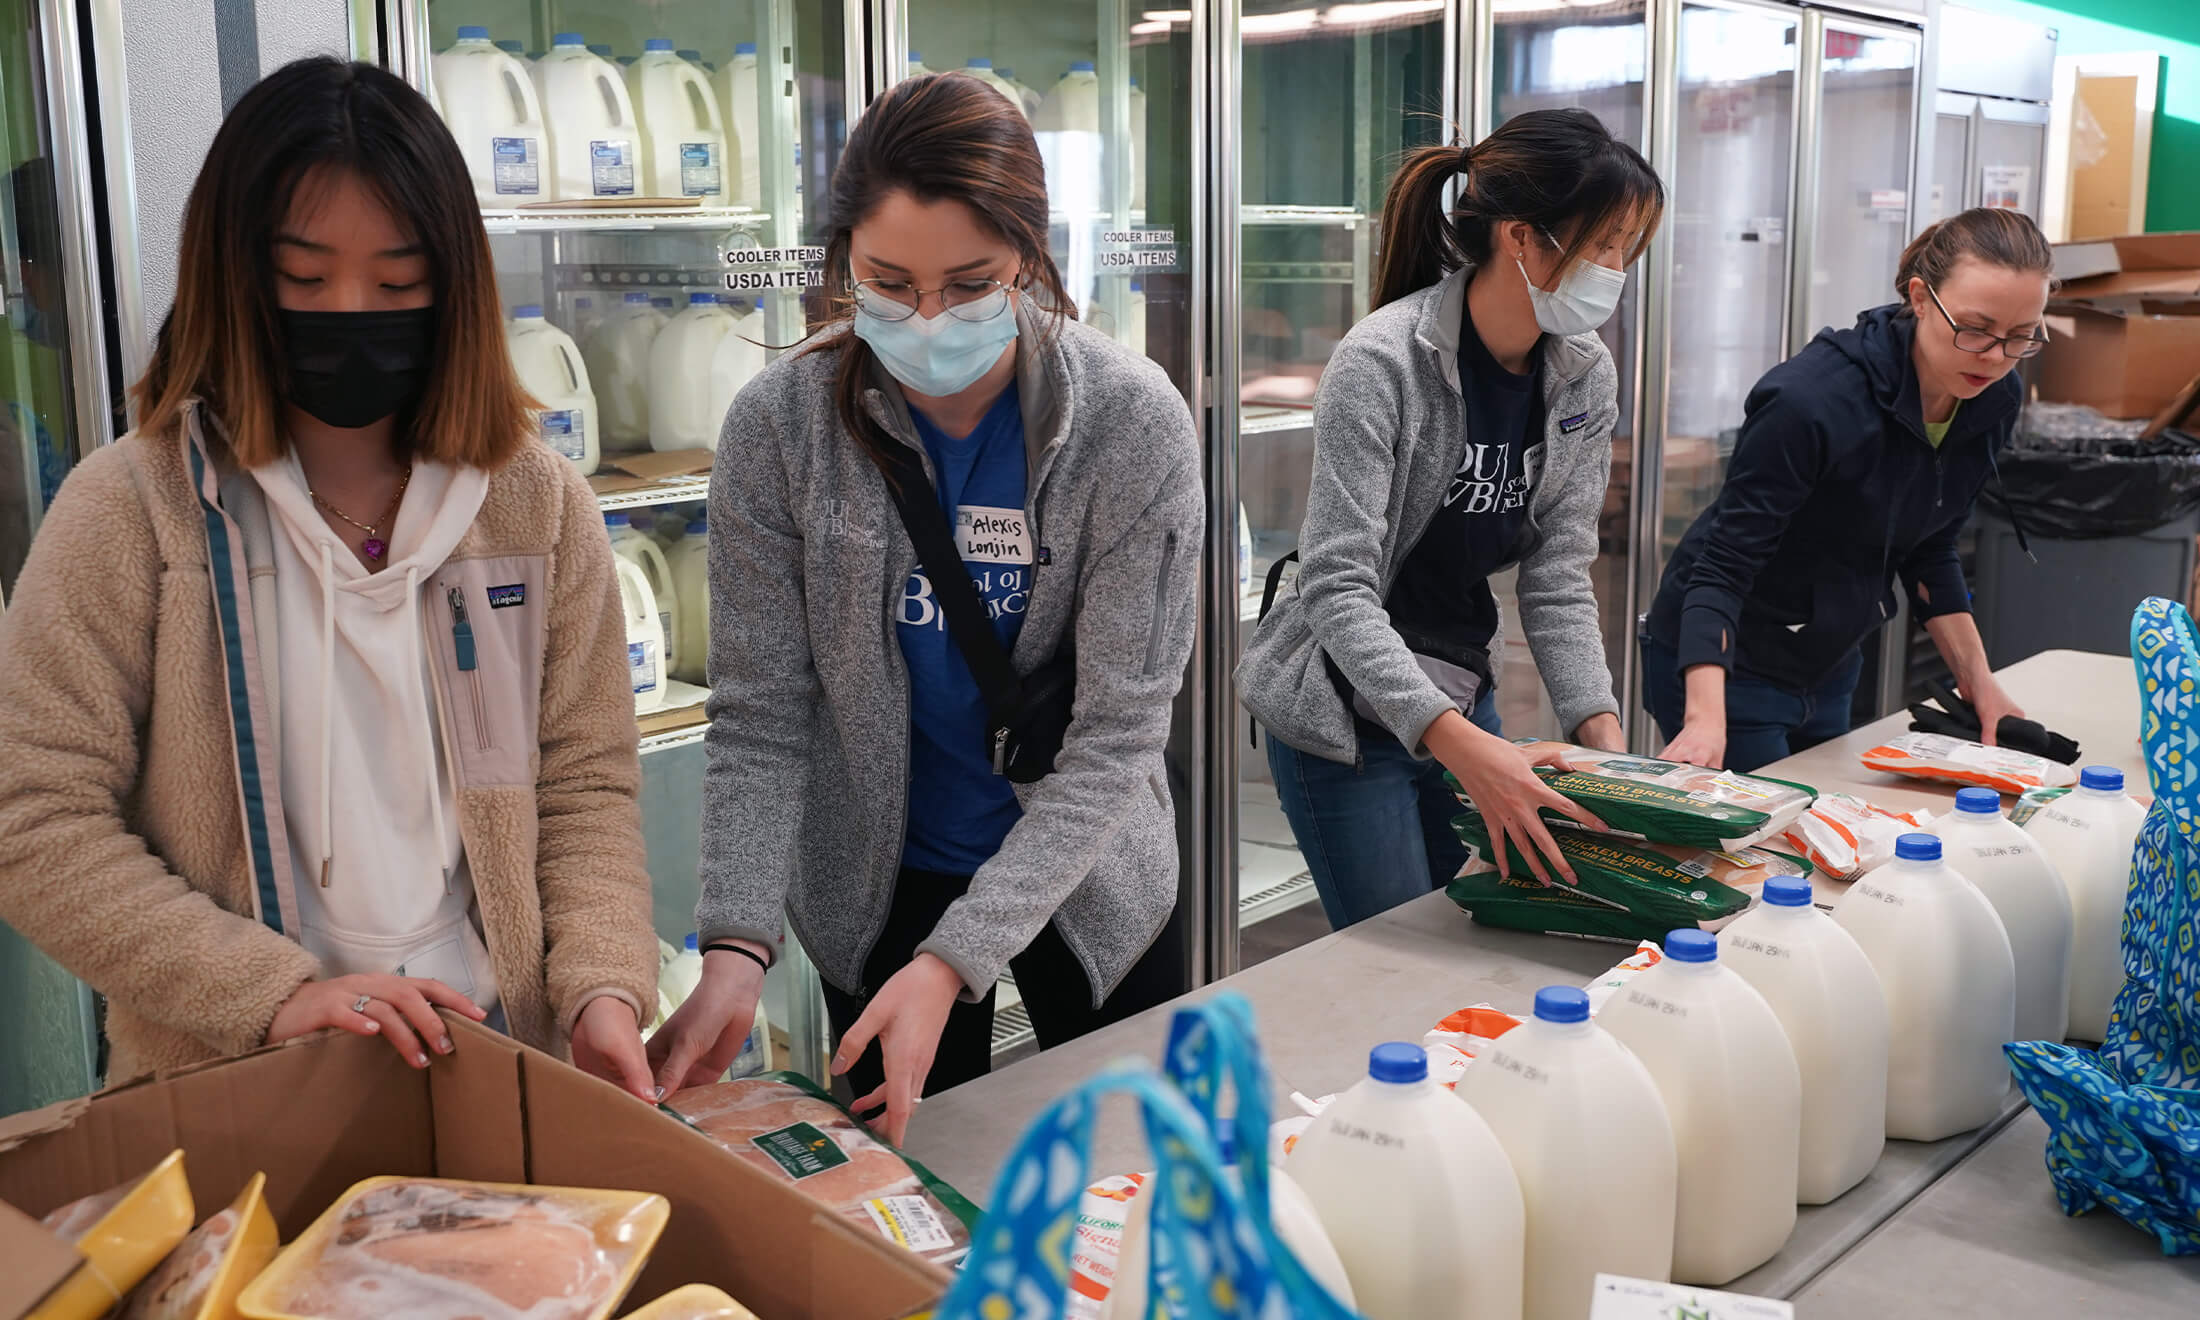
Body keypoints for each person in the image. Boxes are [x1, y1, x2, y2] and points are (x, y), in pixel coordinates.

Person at [0, 58, 659, 1097]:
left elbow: (581, 786)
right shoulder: (132, 510)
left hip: (493, 1057)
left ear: (454, 286)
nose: (351, 312)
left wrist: (604, 986)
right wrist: (266, 992)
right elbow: (31, 815)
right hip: (237, 1084)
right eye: (303, 280)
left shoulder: (534, 504)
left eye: (399, 284)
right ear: (234, 277)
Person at [647, 73, 1203, 1144]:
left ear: (1030, 261)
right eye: (888, 282)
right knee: (914, 1195)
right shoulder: (779, 429)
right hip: (878, 879)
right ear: (842, 256)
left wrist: (960, 956)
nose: (927, 319)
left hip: (1087, 869)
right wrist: (733, 945)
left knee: (1134, 1171)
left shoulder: (1130, 425)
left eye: (970, 283)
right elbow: (763, 716)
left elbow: (1119, 736)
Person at [1239, 109, 1665, 927]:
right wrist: (1461, 747)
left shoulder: (1581, 373)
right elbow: (1336, 584)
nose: (1617, 268)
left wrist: (1600, 734)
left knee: (1475, 929)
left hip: (1459, 686)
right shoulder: (1383, 362)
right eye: (1606, 243)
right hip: (1345, 711)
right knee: (1397, 949)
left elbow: (1556, 572)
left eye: (1627, 248)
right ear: (1521, 237)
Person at [1642, 208, 2055, 774]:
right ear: (1919, 297)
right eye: (1975, 329)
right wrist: (1705, 721)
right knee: (1763, 843)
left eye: (2021, 337)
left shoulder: (1994, 395)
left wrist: (1980, 684)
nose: (1995, 357)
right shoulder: (1809, 402)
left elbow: (1930, 548)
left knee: (1828, 831)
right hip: (1728, 660)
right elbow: (1723, 568)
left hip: (1829, 658)